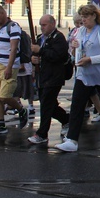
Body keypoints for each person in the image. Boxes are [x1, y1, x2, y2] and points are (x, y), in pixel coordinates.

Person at [57, 5, 100, 152]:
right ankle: (72, 140)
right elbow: (75, 53)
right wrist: (74, 47)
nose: (83, 20)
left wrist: (90, 59)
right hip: (85, 74)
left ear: (94, 16)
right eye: (82, 17)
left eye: (86, 17)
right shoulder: (81, 31)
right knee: (77, 105)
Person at [0, 5, 29, 136]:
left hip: (8, 66)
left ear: (3, 14)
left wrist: (9, 67)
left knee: (4, 96)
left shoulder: (13, 27)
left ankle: (21, 110)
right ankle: (0, 123)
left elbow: (14, 49)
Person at [27, 14, 71, 145]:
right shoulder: (40, 38)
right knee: (49, 104)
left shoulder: (58, 38)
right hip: (42, 76)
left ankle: (42, 133)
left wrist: (40, 51)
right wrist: (33, 58)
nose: (42, 28)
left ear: (52, 24)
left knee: (46, 105)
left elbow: (58, 55)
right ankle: (67, 119)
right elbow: (35, 54)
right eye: (40, 25)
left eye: (44, 25)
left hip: (54, 77)